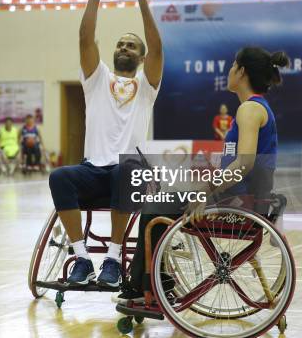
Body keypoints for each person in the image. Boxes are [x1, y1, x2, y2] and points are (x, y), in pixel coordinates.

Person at [119, 47, 289, 303]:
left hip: (239, 205)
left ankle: (149, 288)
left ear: (242, 71)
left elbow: (244, 165)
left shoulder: (250, 110)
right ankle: (157, 281)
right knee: (164, 198)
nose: (230, 70)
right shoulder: (253, 109)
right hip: (242, 199)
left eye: (233, 66)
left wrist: (206, 190)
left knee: (154, 208)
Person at [48, 0, 163, 288]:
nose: (124, 47)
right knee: (59, 177)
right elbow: (85, 38)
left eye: (131, 46)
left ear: (141, 59)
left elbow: (158, 49)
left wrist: (143, 2)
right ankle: (81, 257)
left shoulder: (146, 86)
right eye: (120, 44)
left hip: (126, 172)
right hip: (92, 170)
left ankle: (113, 260)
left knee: (126, 169)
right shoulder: (96, 78)